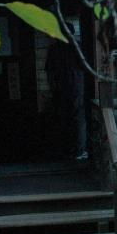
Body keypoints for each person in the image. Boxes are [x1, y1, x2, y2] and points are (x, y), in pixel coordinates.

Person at [45, 29, 87, 161]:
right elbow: (85, 66)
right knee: (78, 118)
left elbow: (49, 72)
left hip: (60, 88)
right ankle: (79, 150)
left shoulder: (54, 49)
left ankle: (64, 150)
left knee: (63, 118)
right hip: (76, 87)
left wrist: (52, 88)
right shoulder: (78, 46)